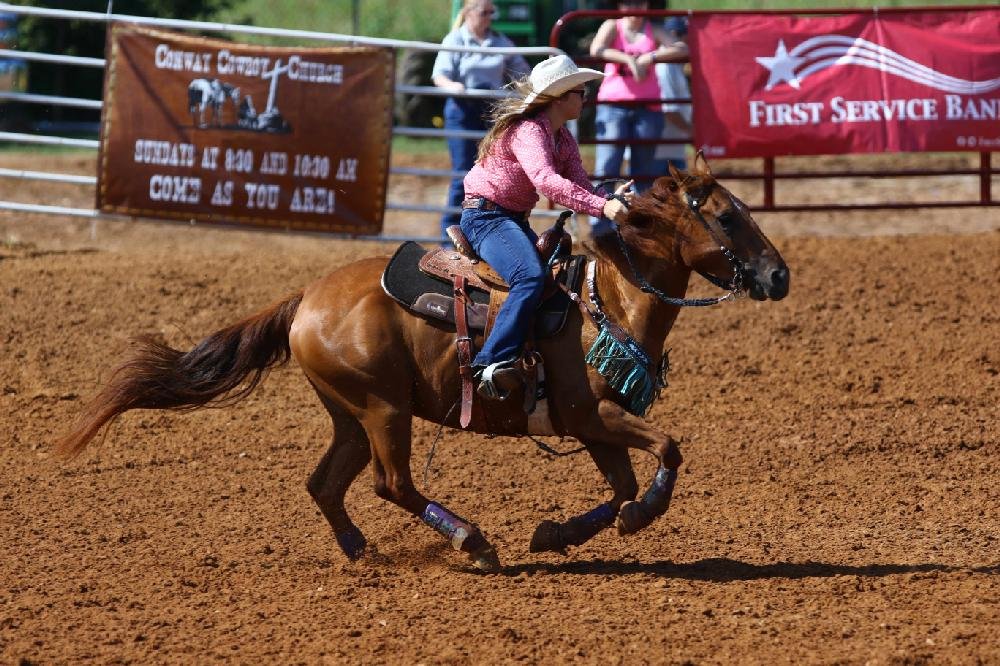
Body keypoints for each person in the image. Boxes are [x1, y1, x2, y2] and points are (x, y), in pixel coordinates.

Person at [460, 55, 634, 398]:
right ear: (560, 97)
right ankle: (488, 363)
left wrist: (609, 196)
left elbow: (579, 184)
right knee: (529, 277)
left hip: (508, 218)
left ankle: (532, 359)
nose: (586, 99)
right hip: (486, 218)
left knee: (551, 279)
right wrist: (602, 206)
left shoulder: (561, 138)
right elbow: (548, 182)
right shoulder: (529, 131)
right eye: (580, 92)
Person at [432, 0, 531, 243]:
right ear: (468, 12)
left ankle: (489, 232)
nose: (488, 17)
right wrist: (453, 86)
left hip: (492, 114)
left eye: (491, 12)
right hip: (462, 110)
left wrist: (527, 90)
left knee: (493, 174)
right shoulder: (455, 39)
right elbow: (439, 75)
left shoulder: (501, 42)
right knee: (463, 174)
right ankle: (450, 236)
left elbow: (524, 73)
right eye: (483, 12)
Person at [588, 0, 688, 237]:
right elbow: (596, 49)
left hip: (647, 108)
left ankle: (639, 225)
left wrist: (650, 57)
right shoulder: (613, 26)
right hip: (613, 106)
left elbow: (682, 48)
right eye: (628, 2)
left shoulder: (654, 29)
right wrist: (628, 59)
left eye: (639, 1)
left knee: (644, 171)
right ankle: (601, 225)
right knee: (607, 165)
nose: (634, 6)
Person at [653, 15, 692, 173]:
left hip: (669, 146)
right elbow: (668, 109)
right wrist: (692, 132)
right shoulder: (665, 66)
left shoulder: (672, 64)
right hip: (662, 150)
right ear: (677, 35)